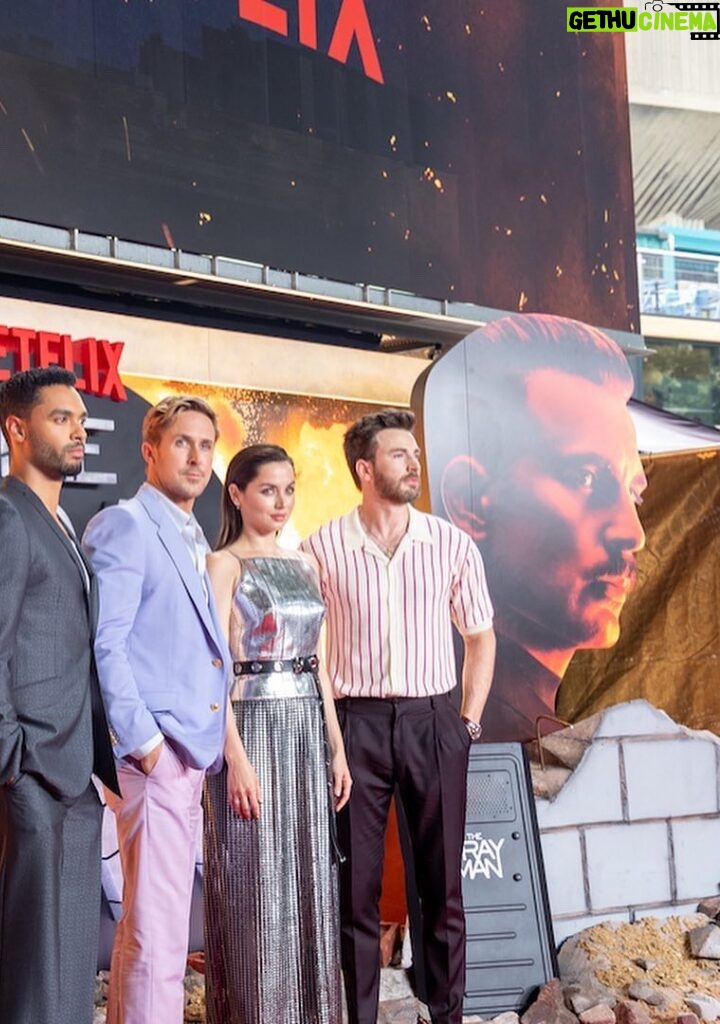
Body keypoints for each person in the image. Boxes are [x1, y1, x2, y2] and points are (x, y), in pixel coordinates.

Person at [302, 409, 495, 1024]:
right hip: (354, 726)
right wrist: (332, 738)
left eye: (415, 454)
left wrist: (466, 722)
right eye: (397, 454)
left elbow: (481, 638)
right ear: (364, 468)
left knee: (441, 888)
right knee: (354, 889)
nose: (414, 464)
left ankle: (447, 1012)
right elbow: (311, 651)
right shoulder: (322, 547)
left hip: (434, 722)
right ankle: (358, 1017)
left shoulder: (451, 544)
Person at [0, 366, 117, 1024]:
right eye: (61, 418)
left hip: (72, 772)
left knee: (65, 965)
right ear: (16, 429)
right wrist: (9, 763)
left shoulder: (62, 526)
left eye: (80, 420)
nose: (78, 431)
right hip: (28, 772)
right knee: (19, 964)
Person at [413, 313, 646, 742]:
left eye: (634, 493)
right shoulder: (474, 720)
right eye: (585, 478)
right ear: (468, 500)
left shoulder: (530, 723)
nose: (633, 533)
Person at [83, 395, 230, 1024]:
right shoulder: (126, 524)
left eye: (205, 445)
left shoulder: (193, 534)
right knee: (159, 937)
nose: (196, 458)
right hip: (158, 756)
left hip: (188, 752)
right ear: (149, 451)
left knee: (150, 929)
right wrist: (145, 744)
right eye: (181, 444)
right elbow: (105, 643)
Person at [202, 444, 352, 1024]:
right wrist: (232, 756)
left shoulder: (308, 565)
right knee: (256, 882)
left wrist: (336, 748)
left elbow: (322, 667)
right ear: (237, 494)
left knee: (310, 876)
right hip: (252, 724)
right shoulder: (223, 564)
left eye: (290, 490)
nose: (282, 502)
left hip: (307, 729)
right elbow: (211, 668)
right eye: (269, 490)